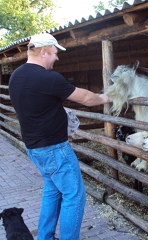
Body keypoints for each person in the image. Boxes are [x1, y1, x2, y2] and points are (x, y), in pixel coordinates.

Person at [8, 33, 110, 240]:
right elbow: (86, 98)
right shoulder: (48, 78)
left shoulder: (16, 76)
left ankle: (44, 237)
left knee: (52, 191)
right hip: (54, 149)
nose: (57, 58)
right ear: (44, 51)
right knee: (74, 196)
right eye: (55, 53)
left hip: (34, 147)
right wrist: (105, 97)